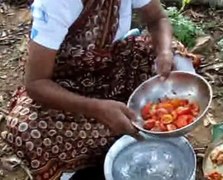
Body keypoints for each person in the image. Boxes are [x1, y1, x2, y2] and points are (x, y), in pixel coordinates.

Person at [2, 0, 201, 179]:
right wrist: (97, 109)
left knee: (177, 58)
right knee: (24, 129)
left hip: (113, 67)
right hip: (66, 85)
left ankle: (133, 128)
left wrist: (164, 52)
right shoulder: (55, 4)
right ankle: (76, 164)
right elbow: (36, 84)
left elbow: (157, 18)